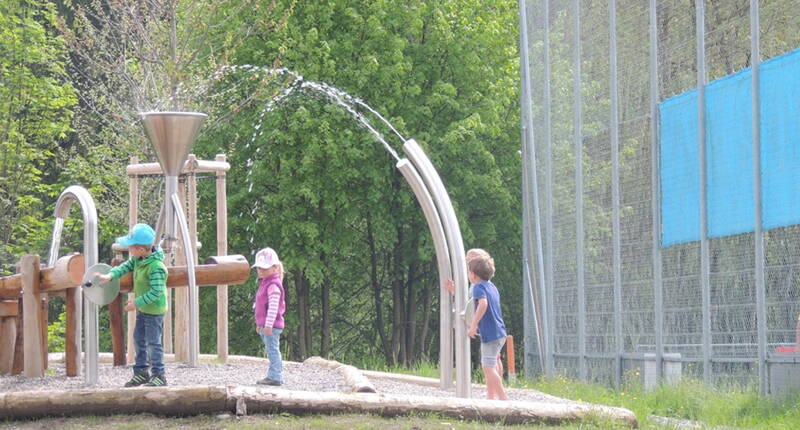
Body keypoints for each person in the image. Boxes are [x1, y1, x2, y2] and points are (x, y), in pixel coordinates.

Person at [97, 223, 168, 387]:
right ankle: (141, 372)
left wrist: (136, 303)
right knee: (138, 340)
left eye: (130, 248)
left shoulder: (156, 267)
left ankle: (159, 374)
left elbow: (156, 292)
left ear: (141, 249)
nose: (129, 251)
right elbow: (125, 266)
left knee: (153, 343)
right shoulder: (138, 260)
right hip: (143, 310)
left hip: (154, 311)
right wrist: (110, 275)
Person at [443, 248, 504, 379]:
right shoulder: (487, 285)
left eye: (470, 259)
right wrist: (455, 291)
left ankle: (498, 392)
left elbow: (476, 303)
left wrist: (473, 325)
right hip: (494, 328)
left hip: (488, 327)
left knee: (490, 363)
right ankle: (494, 390)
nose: (467, 263)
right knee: (494, 359)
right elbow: (471, 301)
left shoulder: (479, 286)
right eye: (466, 260)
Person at [466, 253, 508, 400]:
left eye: (469, 272)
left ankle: (503, 399)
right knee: (492, 362)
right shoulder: (492, 286)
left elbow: (483, 305)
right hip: (500, 333)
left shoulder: (478, 287)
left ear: (474, 275)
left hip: (490, 334)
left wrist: (473, 325)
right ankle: (491, 396)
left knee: (487, 367)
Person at [252, 247, 286, 386]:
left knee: (272, 350)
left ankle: (275, 376)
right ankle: (273, 374)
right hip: (265, 325)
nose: (260, 271)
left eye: (264, 268)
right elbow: (260, 306)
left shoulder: (273, 285)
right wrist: (259, 324)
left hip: (271, 326)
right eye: (259, 268)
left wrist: (268, 325)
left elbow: (273, 307)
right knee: (270, 349)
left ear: (275, 268)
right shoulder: (265, 283)